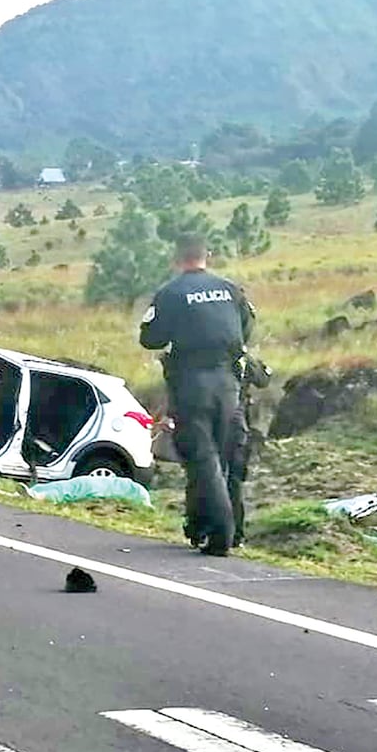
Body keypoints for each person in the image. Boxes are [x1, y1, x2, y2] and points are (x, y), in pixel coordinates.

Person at [139, 235, 254, 556]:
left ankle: (220, 533)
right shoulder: (231, 290)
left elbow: (150, 338)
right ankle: (223, 530)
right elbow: (246, 331)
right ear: (208, 256)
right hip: (229, 385)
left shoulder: (170, 293)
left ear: (177, 259)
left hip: (191, 383)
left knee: (202, 458)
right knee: (227, 455)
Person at [226, 352, 272, 547]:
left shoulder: (202, 351)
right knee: (234, 481)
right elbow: (264, 379)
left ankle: (203, 528)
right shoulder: (242, 355)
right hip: (236, 425)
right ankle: (236, 534)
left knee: (207, 475)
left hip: (211, 422)